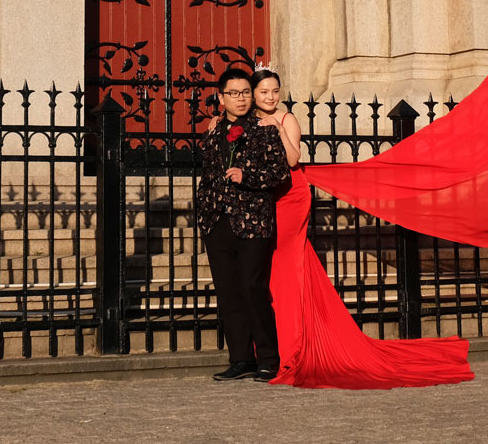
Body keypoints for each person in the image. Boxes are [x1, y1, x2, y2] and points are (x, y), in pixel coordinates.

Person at [254, 67, 473, 389]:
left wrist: (278, 129)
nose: (271, 97)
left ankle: (292, 348)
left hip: (291, 197)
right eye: (264, 92)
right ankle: (272, 345)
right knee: (269, 270)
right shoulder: (246, 121)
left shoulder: (286, 119)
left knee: (285, 268)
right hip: (261, 201)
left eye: (275, 91)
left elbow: (292, 159)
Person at [195, 67, 292, 382]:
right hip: (216, 221)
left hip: (253, 222)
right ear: (220, 97)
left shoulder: (264, 127)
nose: (241, 98)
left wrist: (245, 176)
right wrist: (205, 209)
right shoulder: (212, 129)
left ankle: (268, 358)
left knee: (253, 288)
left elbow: (281, 174)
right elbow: (208, 173)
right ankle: (240, 359)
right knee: (228, 291)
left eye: (245, 93)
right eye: (234, 93)